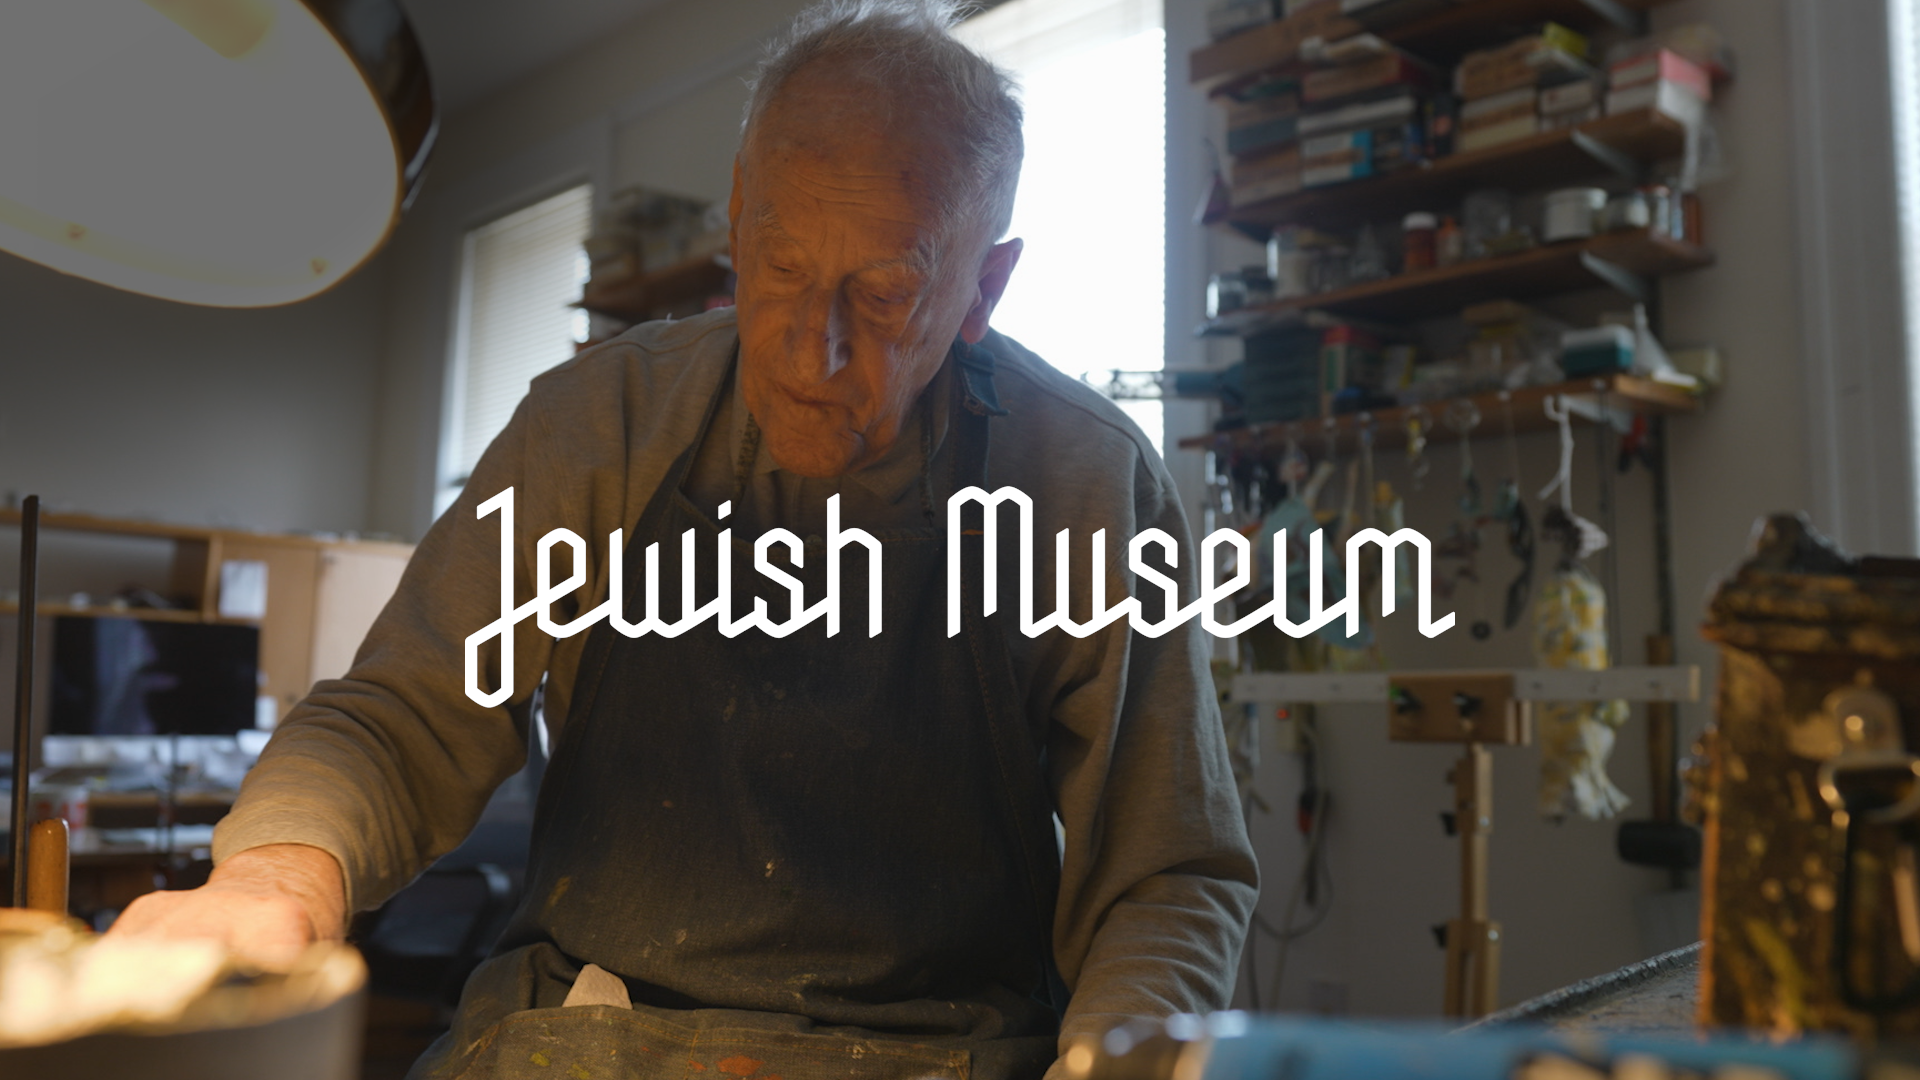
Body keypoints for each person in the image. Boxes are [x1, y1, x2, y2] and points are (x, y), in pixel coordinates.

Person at [109, 2, 1258, 1077]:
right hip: (590, 1035)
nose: (811, 351)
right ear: (740, 217)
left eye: (882, 294)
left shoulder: (1082, 482)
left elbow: (1164, 874)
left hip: (937, 1055)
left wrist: (1117, 1061)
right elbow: (404, 716)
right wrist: (278, 875)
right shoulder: (602, 425)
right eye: (783, 267)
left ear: (983, 289)